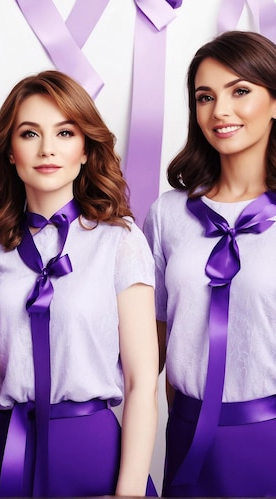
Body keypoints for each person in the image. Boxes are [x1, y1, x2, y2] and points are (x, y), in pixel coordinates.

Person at [0, 70, 159, 497]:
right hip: (4, 449)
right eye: (30, 133)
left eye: (65, 132)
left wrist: (128, 491)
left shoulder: (120, 241)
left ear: (87, 149)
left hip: (93, 449)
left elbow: (141, 381)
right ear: (11, 152)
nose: (48, 149)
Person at [144, 30, 276, 497]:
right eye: (205, 96)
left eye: (240, 90)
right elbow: (152, 345)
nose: (220, 111)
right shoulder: (167, 214)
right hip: (186, 429)